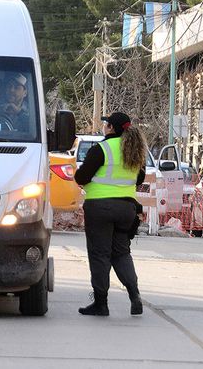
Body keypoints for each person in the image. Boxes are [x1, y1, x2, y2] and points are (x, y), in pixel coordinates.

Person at [74, 112, 147, 317]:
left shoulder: (102, 149)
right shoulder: (134, 150)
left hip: (100, 209)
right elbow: (138, 178)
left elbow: (82, 176)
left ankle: (101, 303)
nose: (104, 126)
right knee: (121, 253)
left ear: (112, 128)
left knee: (100, 254)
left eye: (106, 123)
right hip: (126, 210)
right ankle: (135, 296)